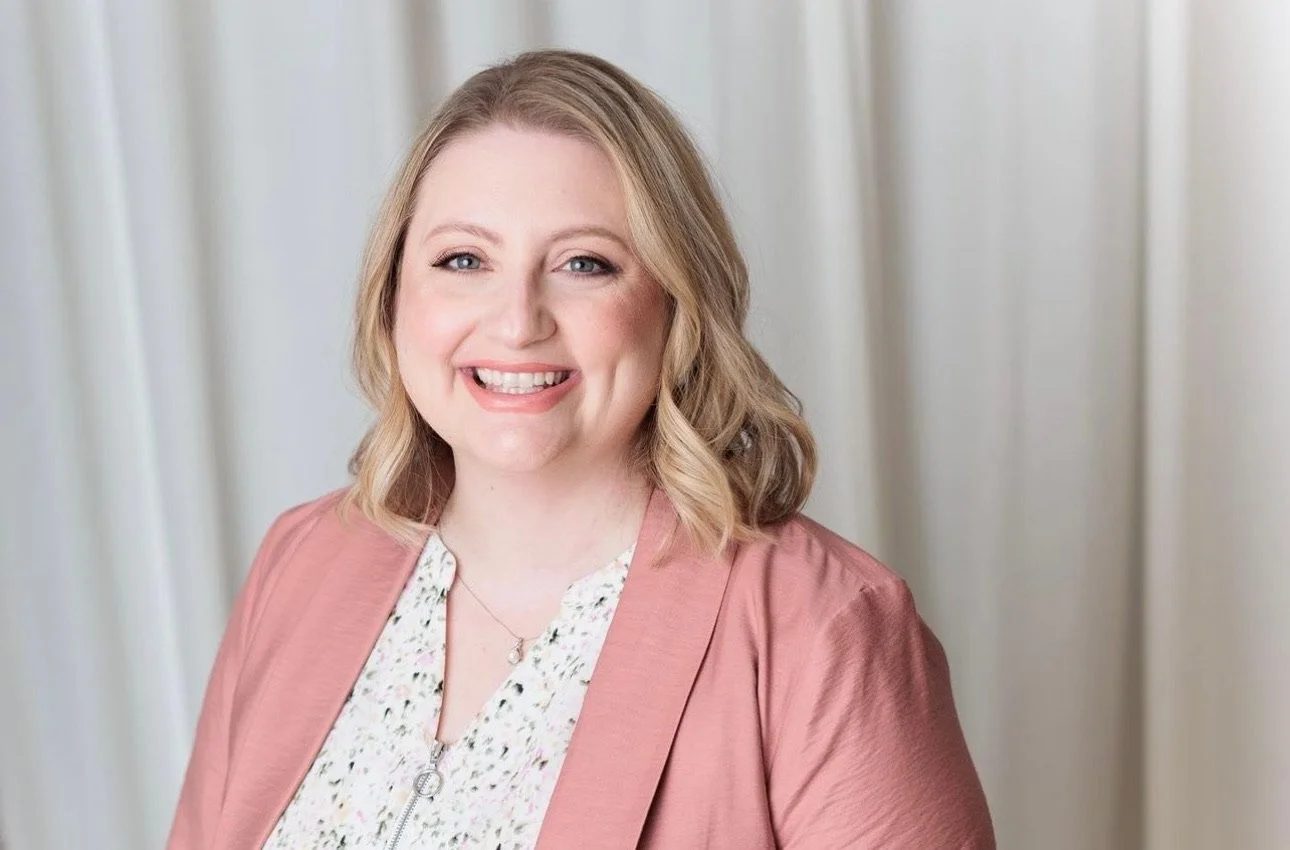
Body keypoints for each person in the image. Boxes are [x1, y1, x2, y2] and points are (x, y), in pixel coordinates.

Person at [167, 49, 994, 849]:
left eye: (584, 264)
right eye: (464, 259)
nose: (518, 320)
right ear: (392, 300)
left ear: (675, 305)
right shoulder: (303, 561)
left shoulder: (822, 627)